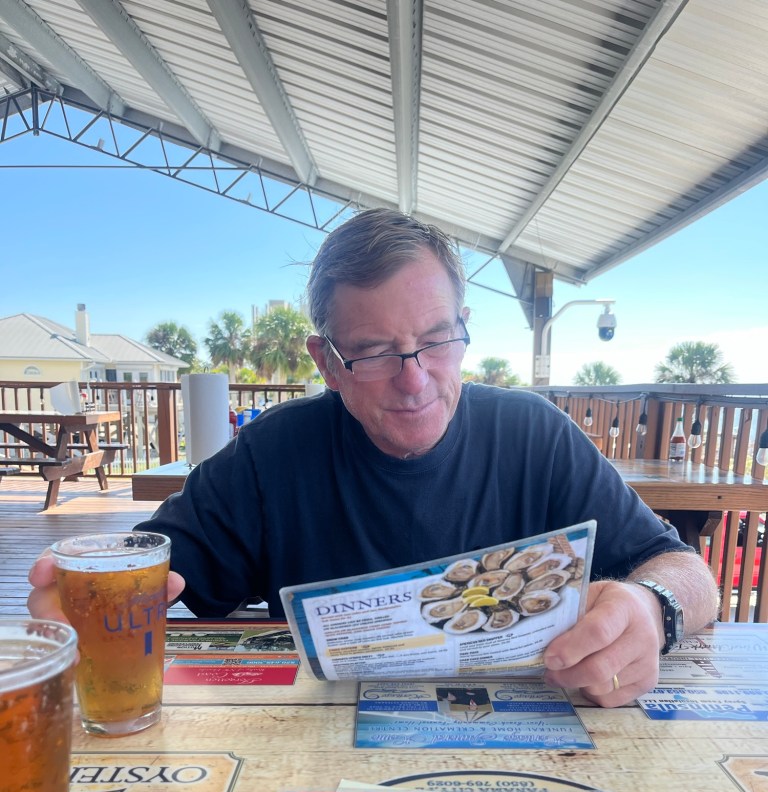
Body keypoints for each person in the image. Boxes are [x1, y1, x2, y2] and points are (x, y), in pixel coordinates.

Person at [28, 208, 718, 707]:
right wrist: (79, 600)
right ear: (327, 363)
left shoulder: (535, 435)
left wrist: (651, 607)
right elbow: (149, 569)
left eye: (436, 340)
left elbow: (688, 573)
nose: (414, 380)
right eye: (375, 352)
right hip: (316, 763)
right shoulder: (273, 454)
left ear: (465, 332)